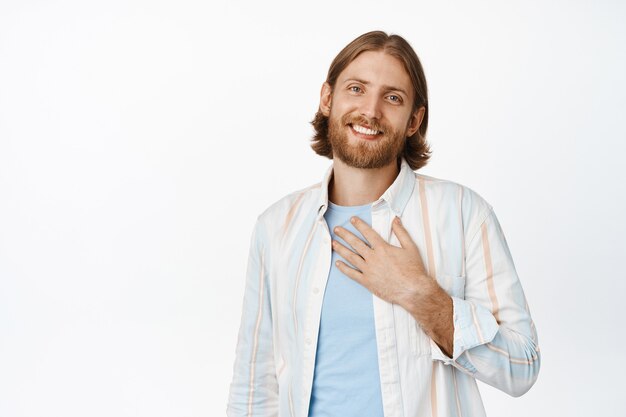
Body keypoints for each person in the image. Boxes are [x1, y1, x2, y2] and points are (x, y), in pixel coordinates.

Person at [226, 30, 540, 417]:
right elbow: (255, 385)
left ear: (414, 120)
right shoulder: (276, 227)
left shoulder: (463, 213)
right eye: (356, 89)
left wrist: (419, 294)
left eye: (393, 98)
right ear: (328, 99)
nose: (371, 111)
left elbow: (523, 366)